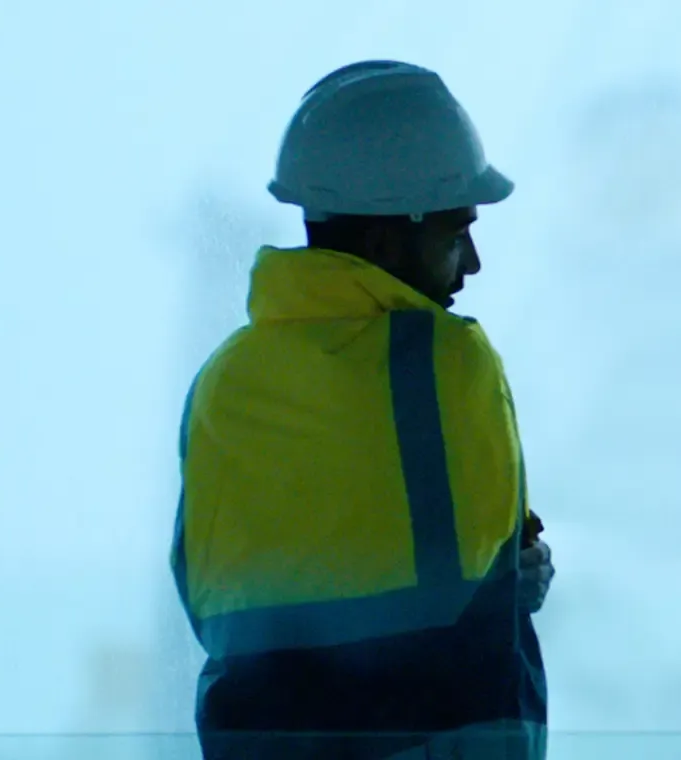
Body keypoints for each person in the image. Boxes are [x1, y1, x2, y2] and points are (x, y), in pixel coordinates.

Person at [175, 60, 552, 760]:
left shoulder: (226, 381)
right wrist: (516, 577)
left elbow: (208, 599)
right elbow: (489, 576)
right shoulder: (446, 362)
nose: (470, 263)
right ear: (386, 240)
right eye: (455, 230)